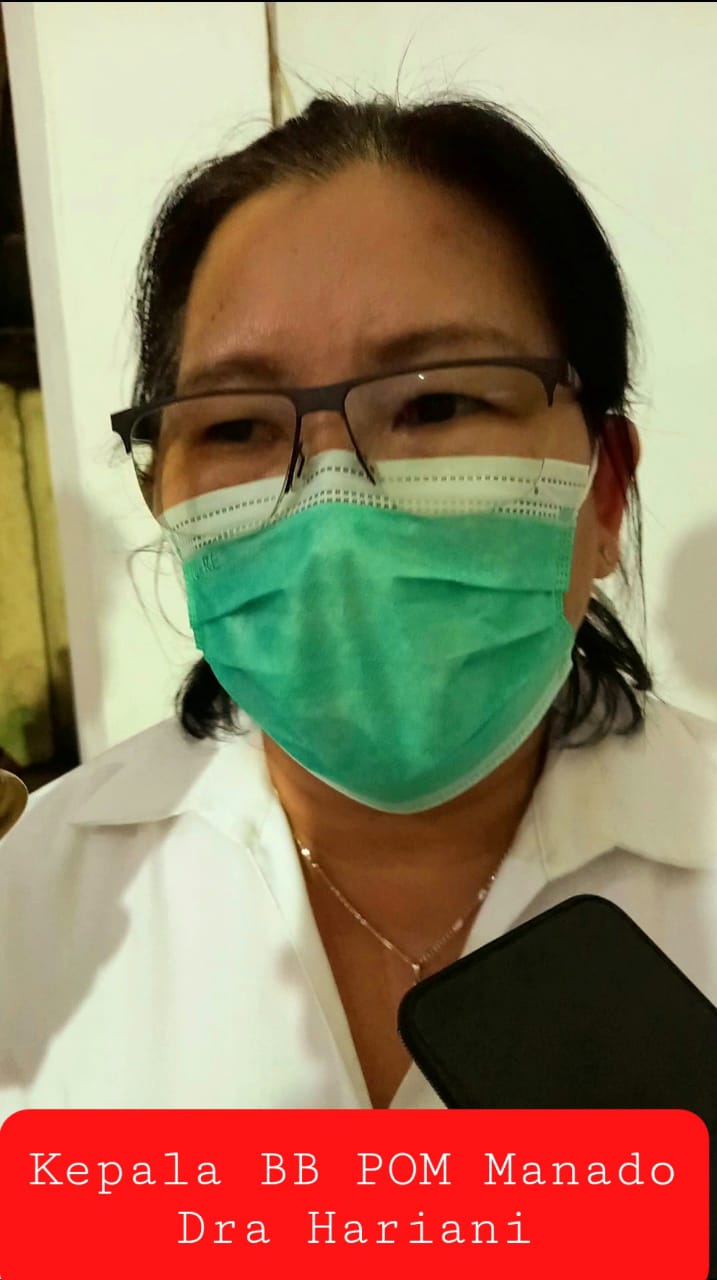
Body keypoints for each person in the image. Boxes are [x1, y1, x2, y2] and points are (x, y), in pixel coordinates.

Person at [0, 95, 715, 1115]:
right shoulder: (27, 901)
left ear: (604, 491)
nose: (331, 509)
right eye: (238, 425)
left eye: (436, 403)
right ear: (164, 498)